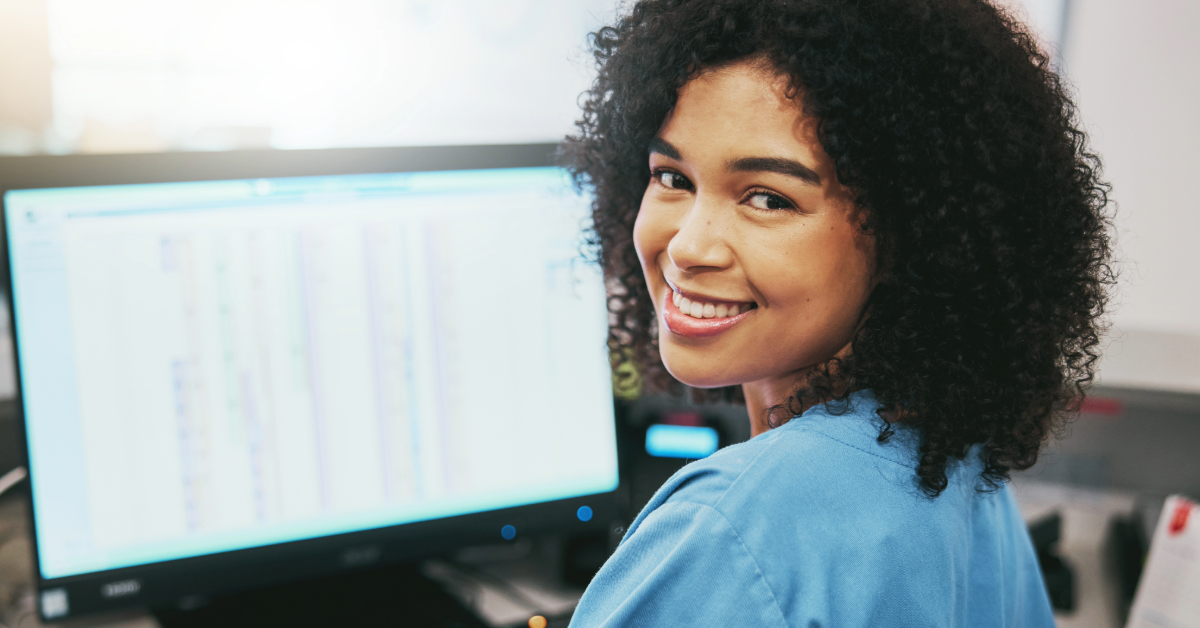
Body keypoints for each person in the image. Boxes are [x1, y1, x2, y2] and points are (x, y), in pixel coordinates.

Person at [561, 0, 1112, 626]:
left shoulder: (728, 531)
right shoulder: (957, 467)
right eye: (672, 177)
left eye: (767, 198)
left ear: (911, 237)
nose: (687, 246)